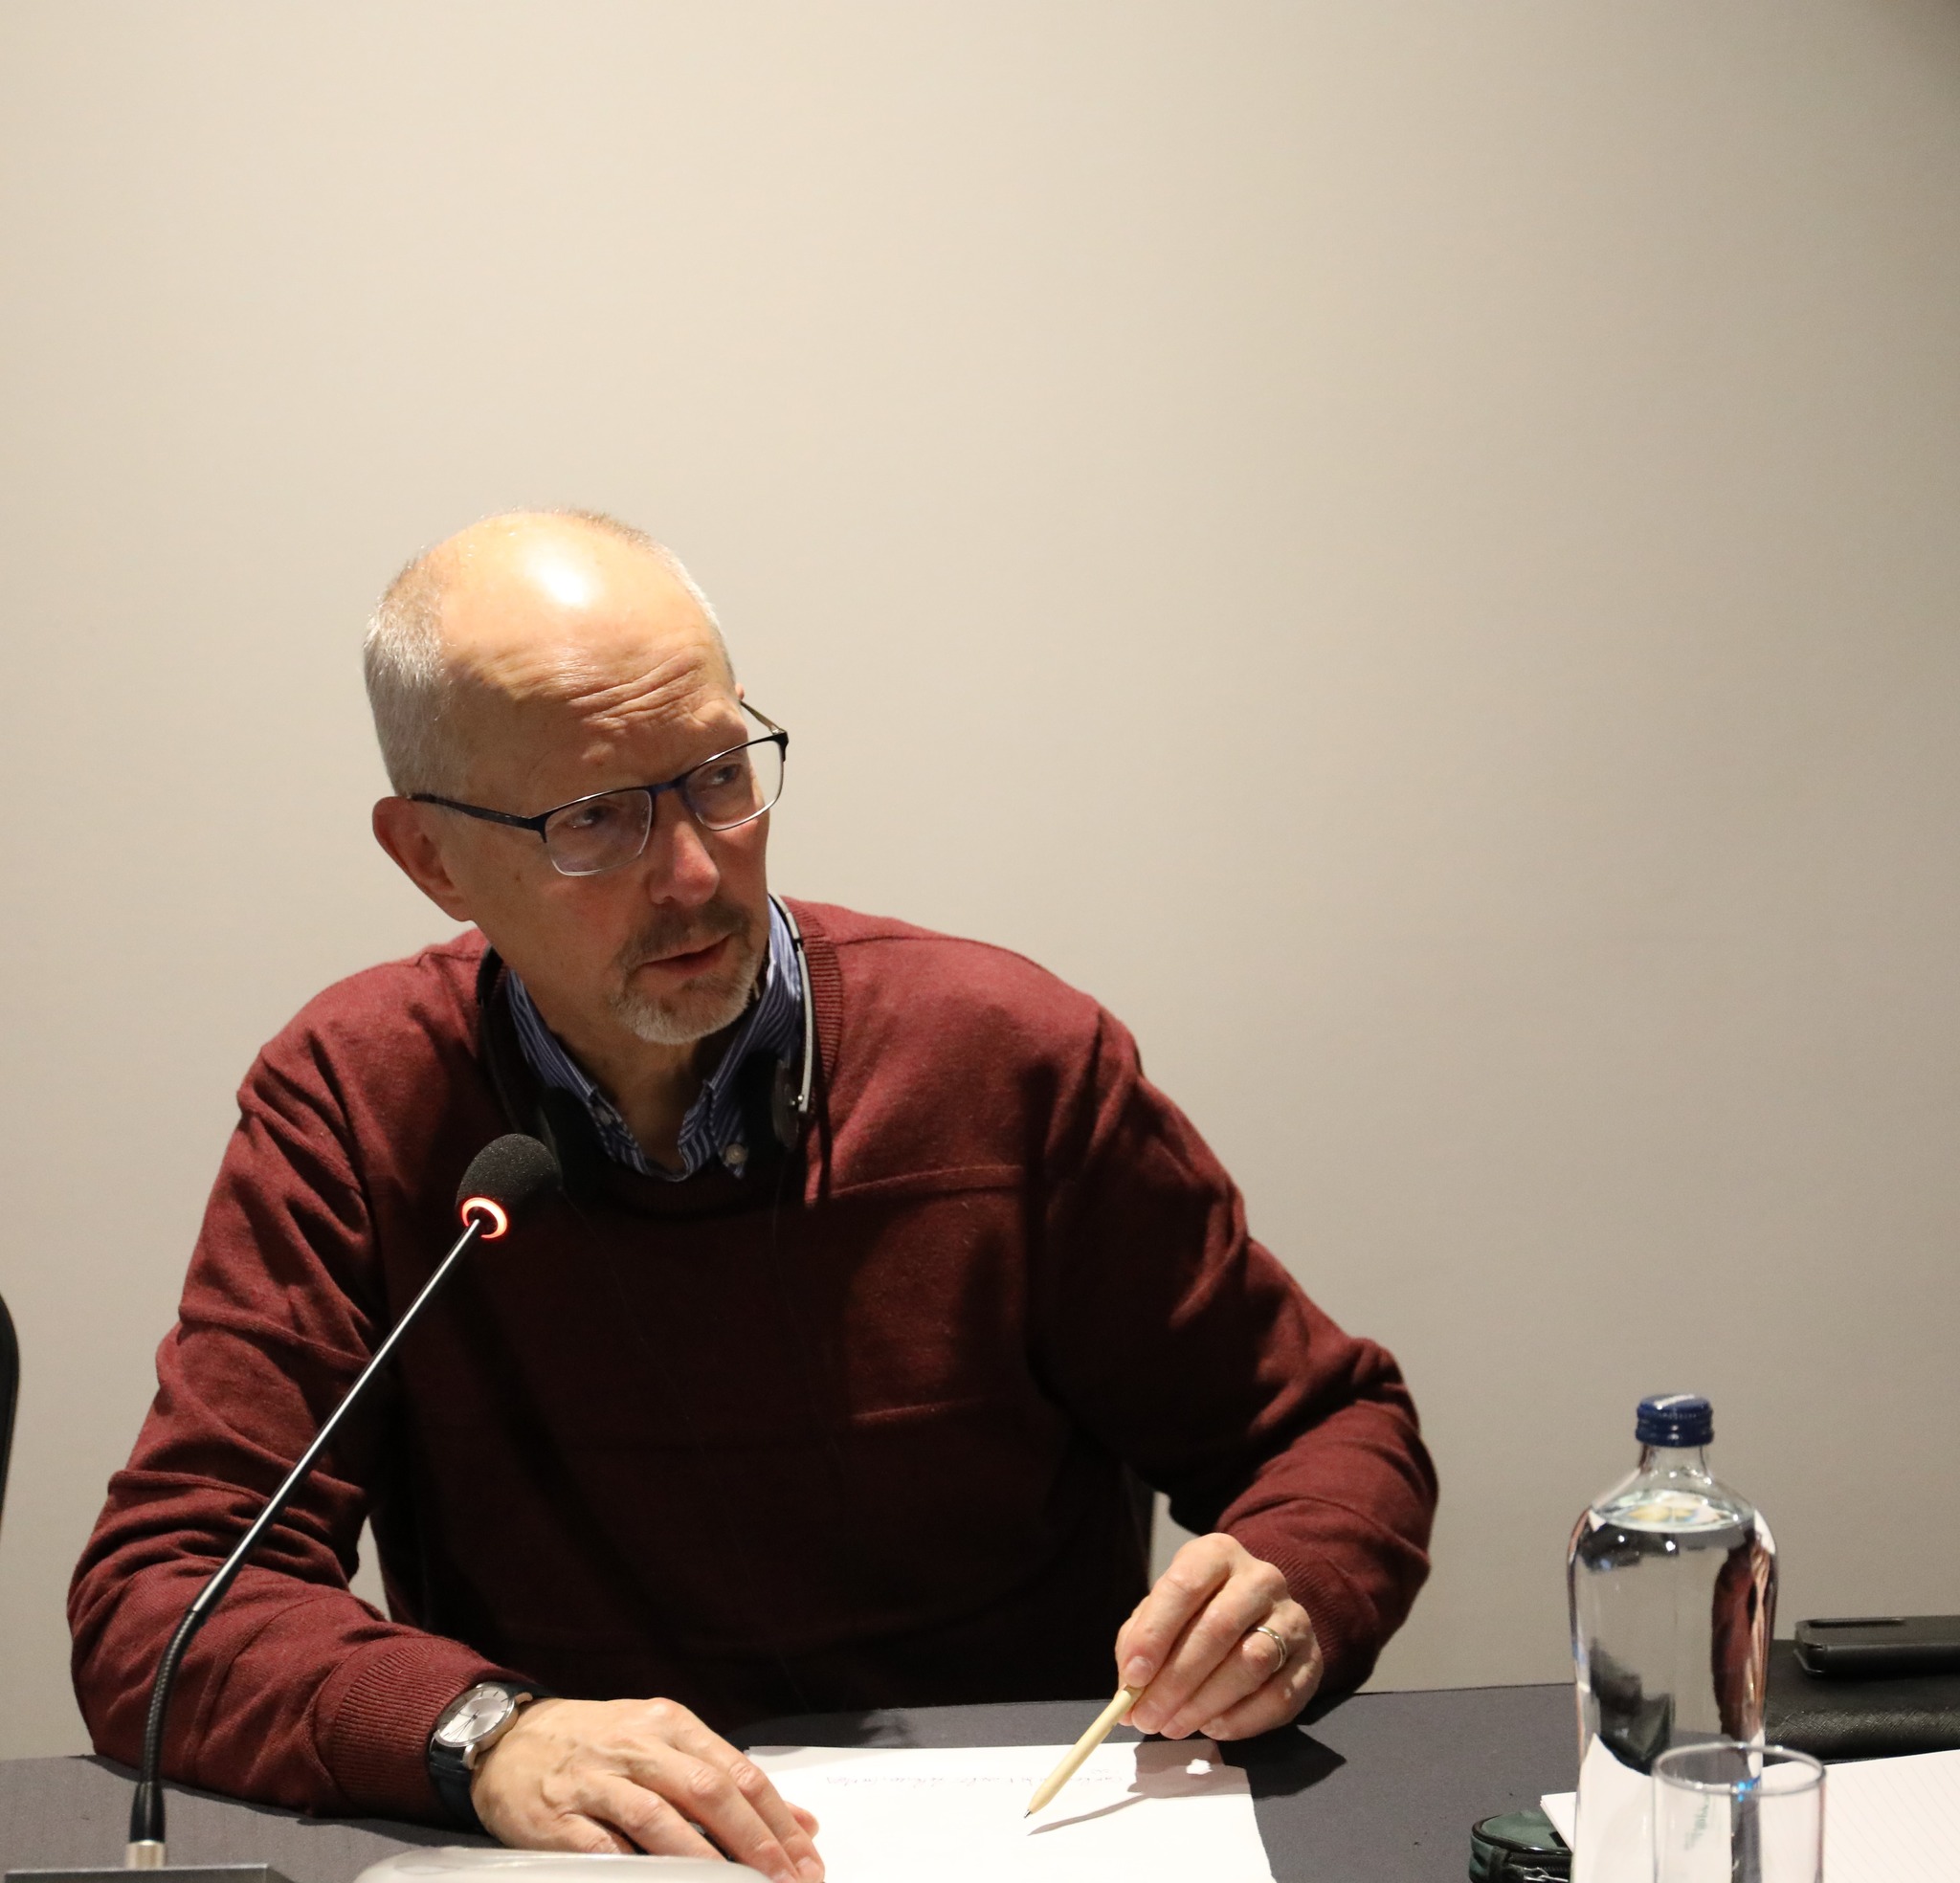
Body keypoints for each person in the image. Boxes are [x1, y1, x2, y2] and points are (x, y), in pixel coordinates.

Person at [70, 511, 1437, 1880]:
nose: (694, 871)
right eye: (595, 819)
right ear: (431, 856)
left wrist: (1287, 1597)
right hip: (600, 1860)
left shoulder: (1006, 1060)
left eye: (719, 776)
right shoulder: (356, 1099)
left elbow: (1331, 1433)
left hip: (1014, 1834)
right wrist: (484, 1735)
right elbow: (163, 1601)